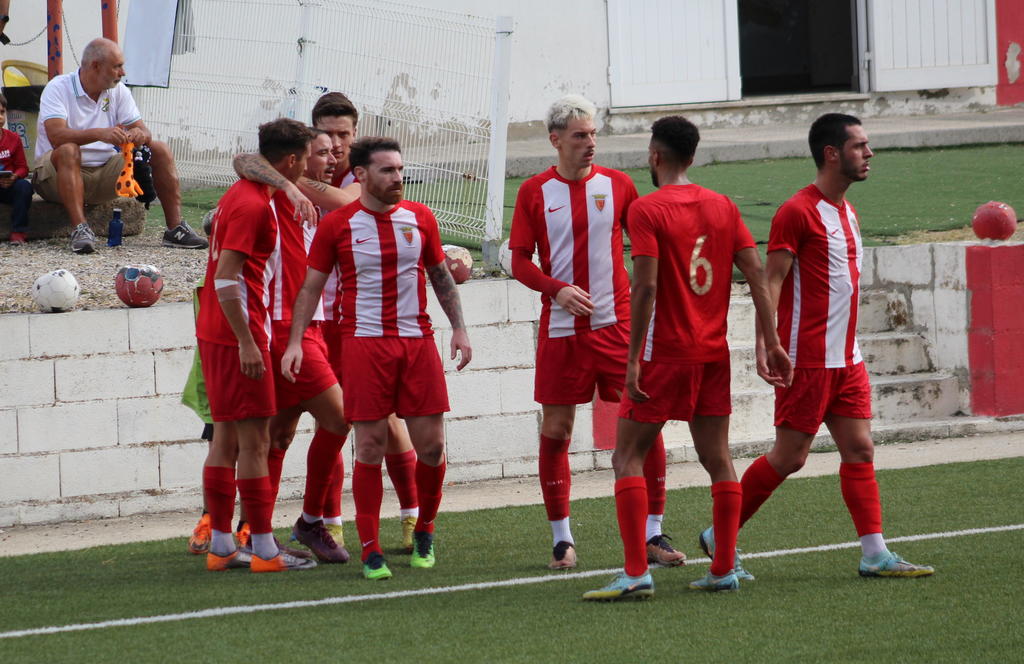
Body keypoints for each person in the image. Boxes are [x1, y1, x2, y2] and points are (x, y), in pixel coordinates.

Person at [699, 113, 934, 580]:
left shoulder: (848, 211)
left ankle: (874, 554)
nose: (868, 153)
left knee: (860, 449)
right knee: (790, 457)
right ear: (831, 153)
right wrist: (764, 343)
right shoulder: (796, 212)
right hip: (806, 359)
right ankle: (719, 534)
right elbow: (770, 281)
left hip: (847, 359)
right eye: (859, 146)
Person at [583, 116, 792, 600]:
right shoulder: (722, 205)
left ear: (655, 156)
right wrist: (772, 340)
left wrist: (632, 359)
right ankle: (723, 567)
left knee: (626, 456)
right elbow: (756, 272)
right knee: (718, 459)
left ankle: (636, 573)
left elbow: (645, 286)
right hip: (712, 353)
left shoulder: (647, 209)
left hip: (664, 353)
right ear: (693, 157)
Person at [234, 92, 422, 554]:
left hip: (344, 323)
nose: (335, 147)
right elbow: (244, 160)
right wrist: (289, 183)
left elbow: (344, 201)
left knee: (358, 421)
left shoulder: (361, 179)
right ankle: (302, 522)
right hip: (293, 325)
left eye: (343, 136)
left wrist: (293, 182)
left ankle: (408, 517)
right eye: (326, 140)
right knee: (329, 421)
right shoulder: (278, 186)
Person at [283, 136, 472, 580]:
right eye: (387, 170)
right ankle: (371, 549)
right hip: (364, 346)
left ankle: (424, 529)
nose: (397, 178)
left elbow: (440, 275)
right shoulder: (338, 224)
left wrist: (460, 328)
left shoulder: (420, 217)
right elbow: (311, 287)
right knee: (369, 446)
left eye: (400, 169)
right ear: (362, 175)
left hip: (417, 343)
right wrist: (295, 342)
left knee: (433, 447)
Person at [508, 94, 682, 570]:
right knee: (557, 430)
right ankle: (562, 540)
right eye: (580, 135)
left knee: (645, 423)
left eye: (593, 135)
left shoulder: (618, 185)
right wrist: (557, 290)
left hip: (617, 326)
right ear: (556, 139)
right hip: (562, 331)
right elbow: (518, 260)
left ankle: (653, 533)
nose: (590, 143)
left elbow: (647, 247)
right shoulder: (534, 192)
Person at [196, 117, 316, 573]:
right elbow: (228, 278)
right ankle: (264, 549)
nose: (306, 168)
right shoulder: (254, 206)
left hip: (215, 332)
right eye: (305, 159)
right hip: (239, 335)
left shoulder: (241, 192)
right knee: (255, 441)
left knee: (225, 438)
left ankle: (222, 544)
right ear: (292, 160)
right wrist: (247, 341)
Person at [33, 37, 207, 253]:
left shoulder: (119, 91)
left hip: (104, 173)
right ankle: (80, 230)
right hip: (55, 177)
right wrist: (100, 133)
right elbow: (57, 137)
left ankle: (175, 229)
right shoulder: (58, 87)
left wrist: (139, 134)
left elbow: (145, 132)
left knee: (160, 149)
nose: (123, 72)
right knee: (68, 149)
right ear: (96, 66)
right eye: (117, 66)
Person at [0, 93, 33, 245]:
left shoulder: (13, 138)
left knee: (24, 187)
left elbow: (23, 167)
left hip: (8, 185)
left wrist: (14, 177)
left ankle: (18, 231)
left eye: (2, 112)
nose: (0, 117)